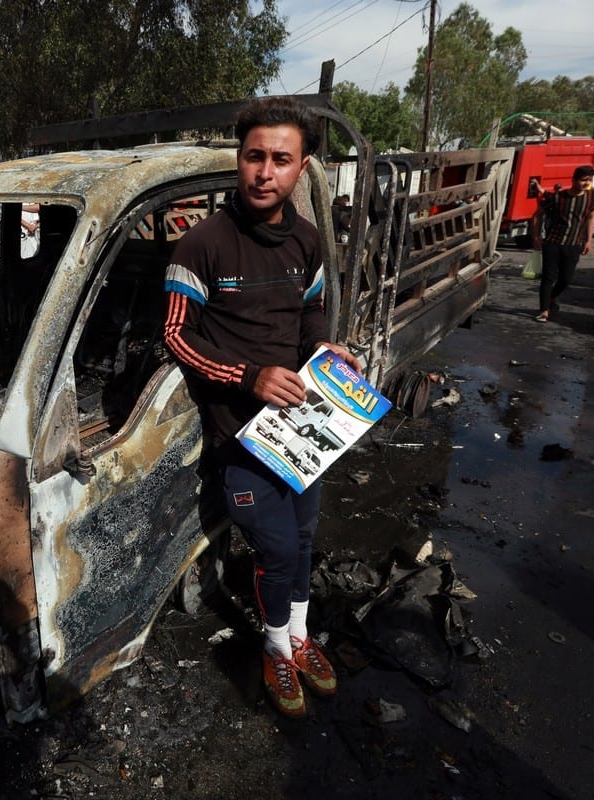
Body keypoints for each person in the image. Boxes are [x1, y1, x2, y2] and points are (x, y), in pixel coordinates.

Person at [163, 96, 361, 718]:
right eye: (255, 157)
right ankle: (276, 647)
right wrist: (248, 377)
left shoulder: (306, 241)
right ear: (238, 159)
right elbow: (175, 335)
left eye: (281, 159)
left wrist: (320, 346)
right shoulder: (200, 245)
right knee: (274, 548)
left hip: (303, 424)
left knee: (303, 539)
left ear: (301, 168)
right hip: (240, 432)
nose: (265, 171)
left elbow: (308, 311)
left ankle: (300, 640)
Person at [531, 165, 594, 322]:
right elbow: (537, 215)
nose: (586, 183)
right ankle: (544, 310)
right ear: (574, 180)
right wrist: (535, 236)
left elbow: (590, 218)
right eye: (583, 180)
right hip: (553, 243)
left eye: (589, 180)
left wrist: (589, 240)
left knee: (566, 279)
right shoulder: (557, 198)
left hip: (574, 244)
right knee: (548, 278)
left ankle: (552, 297)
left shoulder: (591, 197)